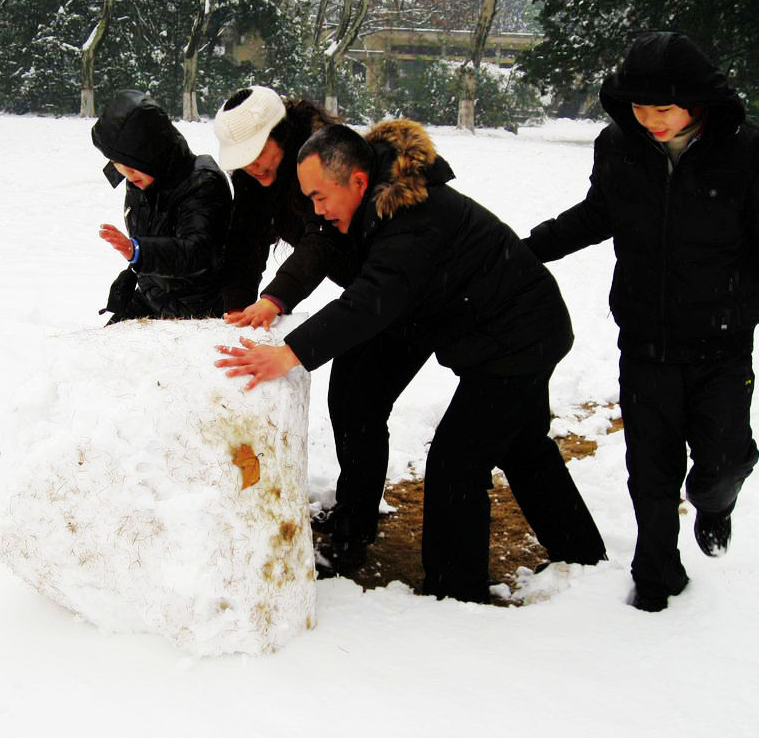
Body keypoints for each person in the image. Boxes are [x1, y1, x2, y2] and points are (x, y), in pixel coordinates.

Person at [215, 121, 607, 603]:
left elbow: (372, 298)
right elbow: (346, 270)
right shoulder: (376, 203)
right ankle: (582, 553)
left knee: (455, 462)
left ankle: (456, 591)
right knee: (523, 445)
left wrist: (290, 354)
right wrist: (277, 299)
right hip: (510, 329)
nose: (315, 211)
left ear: (357, 182)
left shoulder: (412, 218)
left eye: (320, 198)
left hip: (516, 338)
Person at [523, 32, 759, 612]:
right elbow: (598, 213)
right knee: (649, 468)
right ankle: (656, 576)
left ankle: (714, 502)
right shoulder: (618, 146)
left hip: (721, 343)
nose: (649, 120)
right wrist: (525, 250)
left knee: (724, 458)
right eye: (638, 107)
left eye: (662, 108)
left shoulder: (747, 154)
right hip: (645, 340)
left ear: (696, 101)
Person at [212, 86, 348, 327]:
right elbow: (244, 243)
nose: (252, 166)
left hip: (390, 271)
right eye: (243, 159)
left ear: (282, 134)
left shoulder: (324, 158)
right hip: (363, 283)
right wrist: (237, 307)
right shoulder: (252, 178)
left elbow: (323, 237)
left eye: (259, 152)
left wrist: (273, 300)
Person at [91, 90, 231, 323]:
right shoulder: (140, 177)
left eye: (133, 165)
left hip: (200, 310)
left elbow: (198, 250)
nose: (126, 174)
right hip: (151, 296)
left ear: (154, 154)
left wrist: (138, 251)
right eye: (117, 164)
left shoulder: (203, 183)